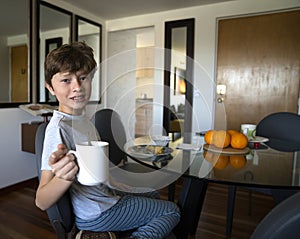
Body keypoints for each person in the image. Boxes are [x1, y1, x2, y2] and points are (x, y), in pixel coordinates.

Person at [35, 42, 181, 239]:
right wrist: (63, 177)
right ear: (50, 87)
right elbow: (41, 201)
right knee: (171, 210)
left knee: (153, 194)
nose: (77, 87)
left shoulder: (84, 121)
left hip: (106, 197)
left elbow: (98, 171)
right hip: (97, 213)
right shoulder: (57, 129)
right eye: (66, 80)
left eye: (83, 78)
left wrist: (122, 187)